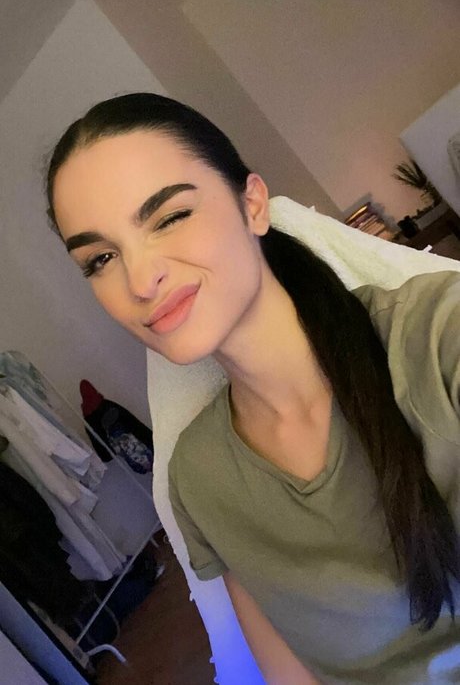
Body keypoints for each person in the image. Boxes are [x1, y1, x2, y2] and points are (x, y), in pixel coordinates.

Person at [44, 93, 460, 685]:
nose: (140, 280)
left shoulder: (437, 335)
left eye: (168, 218)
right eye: (101, 258)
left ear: (253, 204)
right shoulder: (202, 478)